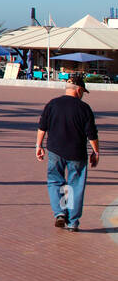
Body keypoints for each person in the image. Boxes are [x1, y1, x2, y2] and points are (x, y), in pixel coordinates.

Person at [36, 74, 100, 232]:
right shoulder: (84, 108)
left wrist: (38, 145)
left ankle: (59, 213)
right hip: (77, 153)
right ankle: (72, 221)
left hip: (55, 150)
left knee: (55, 182)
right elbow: (91, 133)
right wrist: (96, 152)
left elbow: (42, 127)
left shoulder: (52, 104)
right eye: (83, 92)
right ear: (78, 90)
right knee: (75, 185)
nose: (83, 95)